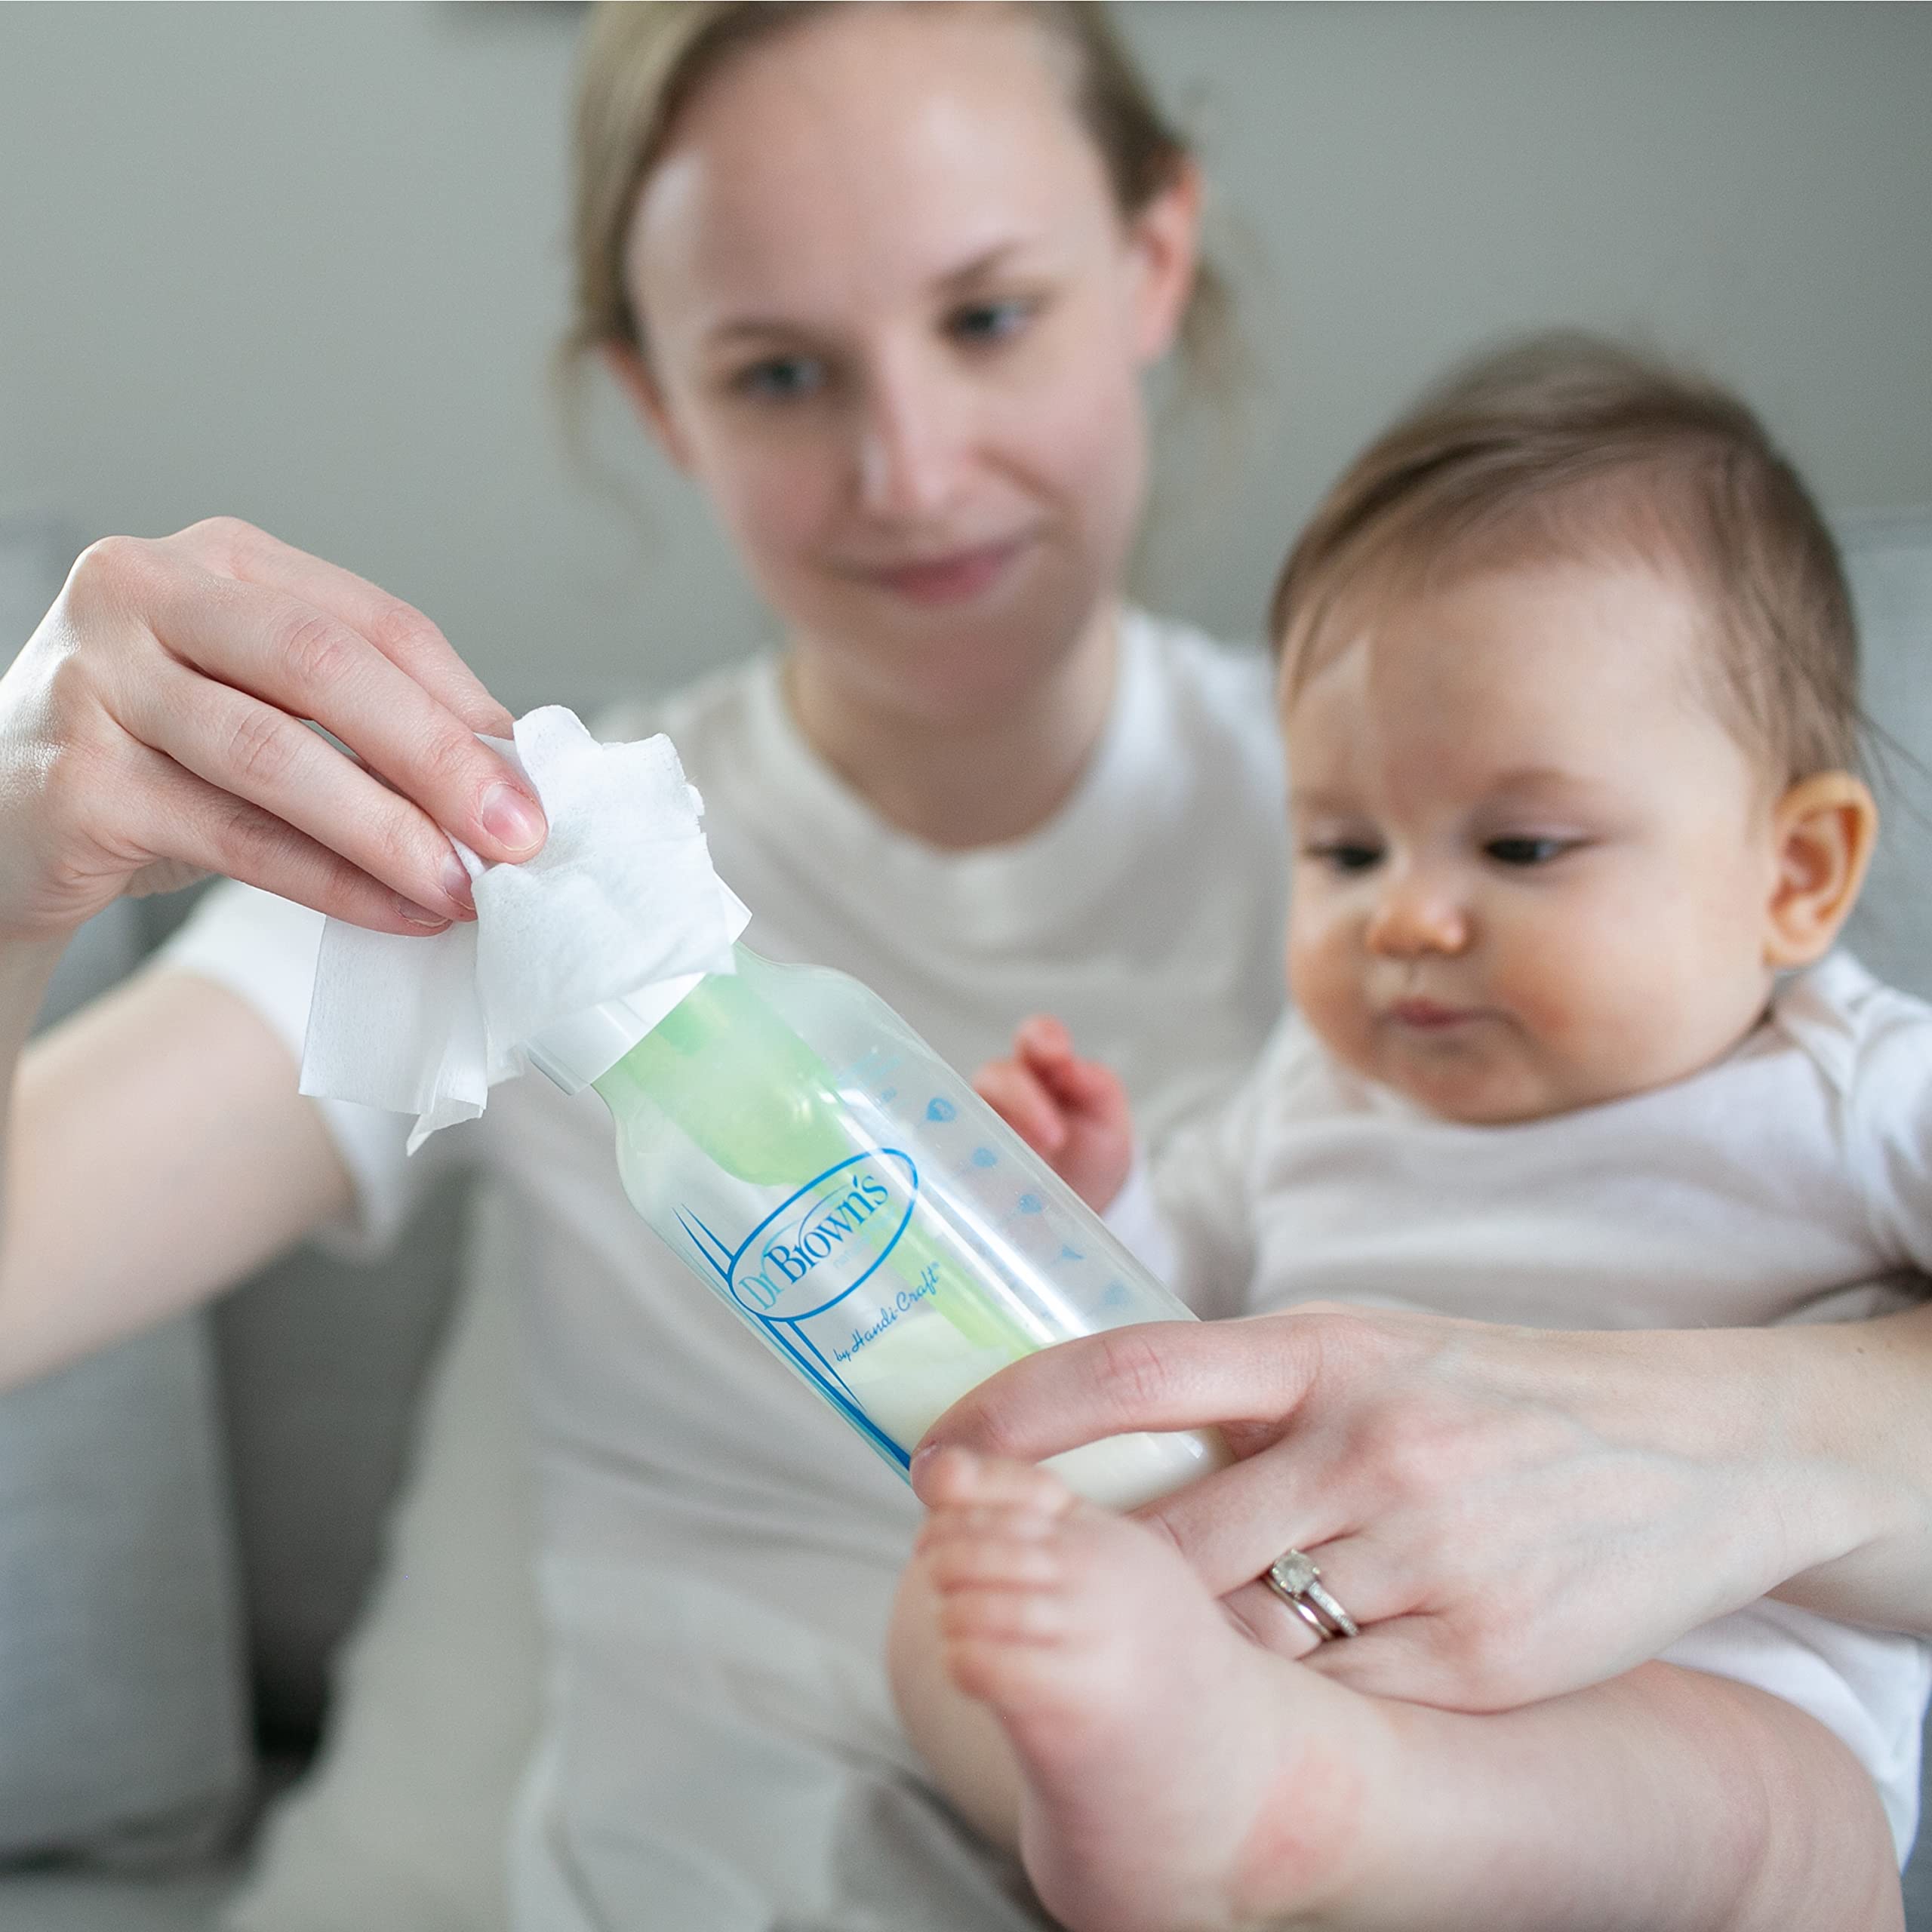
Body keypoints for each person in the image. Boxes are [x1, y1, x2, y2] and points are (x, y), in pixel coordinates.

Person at [0, 6, 1285, 1926]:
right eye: (778, 372)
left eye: (989, 316)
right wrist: (12, 872)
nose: (909, 466)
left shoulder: (1469, 837)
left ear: (1152, 257)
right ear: (657, 396)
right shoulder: (529, 868)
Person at [893, 336, 1926, 1931]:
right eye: (1347, 848)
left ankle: (1278, 1809)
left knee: (1753, 1809)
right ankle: (1176, 1780)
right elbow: (1165, 1331)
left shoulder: (1852, 1083)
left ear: (1793, 872)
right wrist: (1085, 1199)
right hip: (1324, 1638)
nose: (1406, 919)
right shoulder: (1309, 1098)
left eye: (1520, 846)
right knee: (949, 1607)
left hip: (1706, 1700)